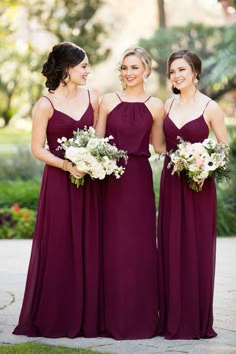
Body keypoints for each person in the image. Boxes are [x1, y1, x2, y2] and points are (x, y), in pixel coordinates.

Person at [13, 42, 101, 338]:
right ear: (67, 70)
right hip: (59, 185)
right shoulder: (45, 104)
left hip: (89, 183)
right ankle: (56, 315)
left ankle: (88, 317)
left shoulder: (94, 96)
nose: (89, 71)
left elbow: (100, 139)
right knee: (60, 245)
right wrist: (66, 165)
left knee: (89, 245)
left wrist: (95, 160)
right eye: (84, 66)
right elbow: (37, 149)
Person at [157, 49, 229, 340]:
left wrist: (203, 164)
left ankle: (196, 320)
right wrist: (182, 157)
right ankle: (171, 320)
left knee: (196, 249)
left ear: (195, 73)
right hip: (173, 182)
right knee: (171, 246)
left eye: (182, 70)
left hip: (199, 185)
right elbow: (160, 146)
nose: (176, 76)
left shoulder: (211, 107)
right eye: (172, 71)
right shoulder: (166, 105)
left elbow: (223, 146)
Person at [96, 46, 165, 340]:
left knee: (139, 247)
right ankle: (110, 318)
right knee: (112, 246)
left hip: (138, 179)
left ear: (146, 70)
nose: (129, 72)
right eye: (125, 67)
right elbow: (95, 141)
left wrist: (196, 155)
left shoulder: (156, 105)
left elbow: (160, 146)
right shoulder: (107, 101)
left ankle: (141, 319)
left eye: (135, 67)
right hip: (109, 179)